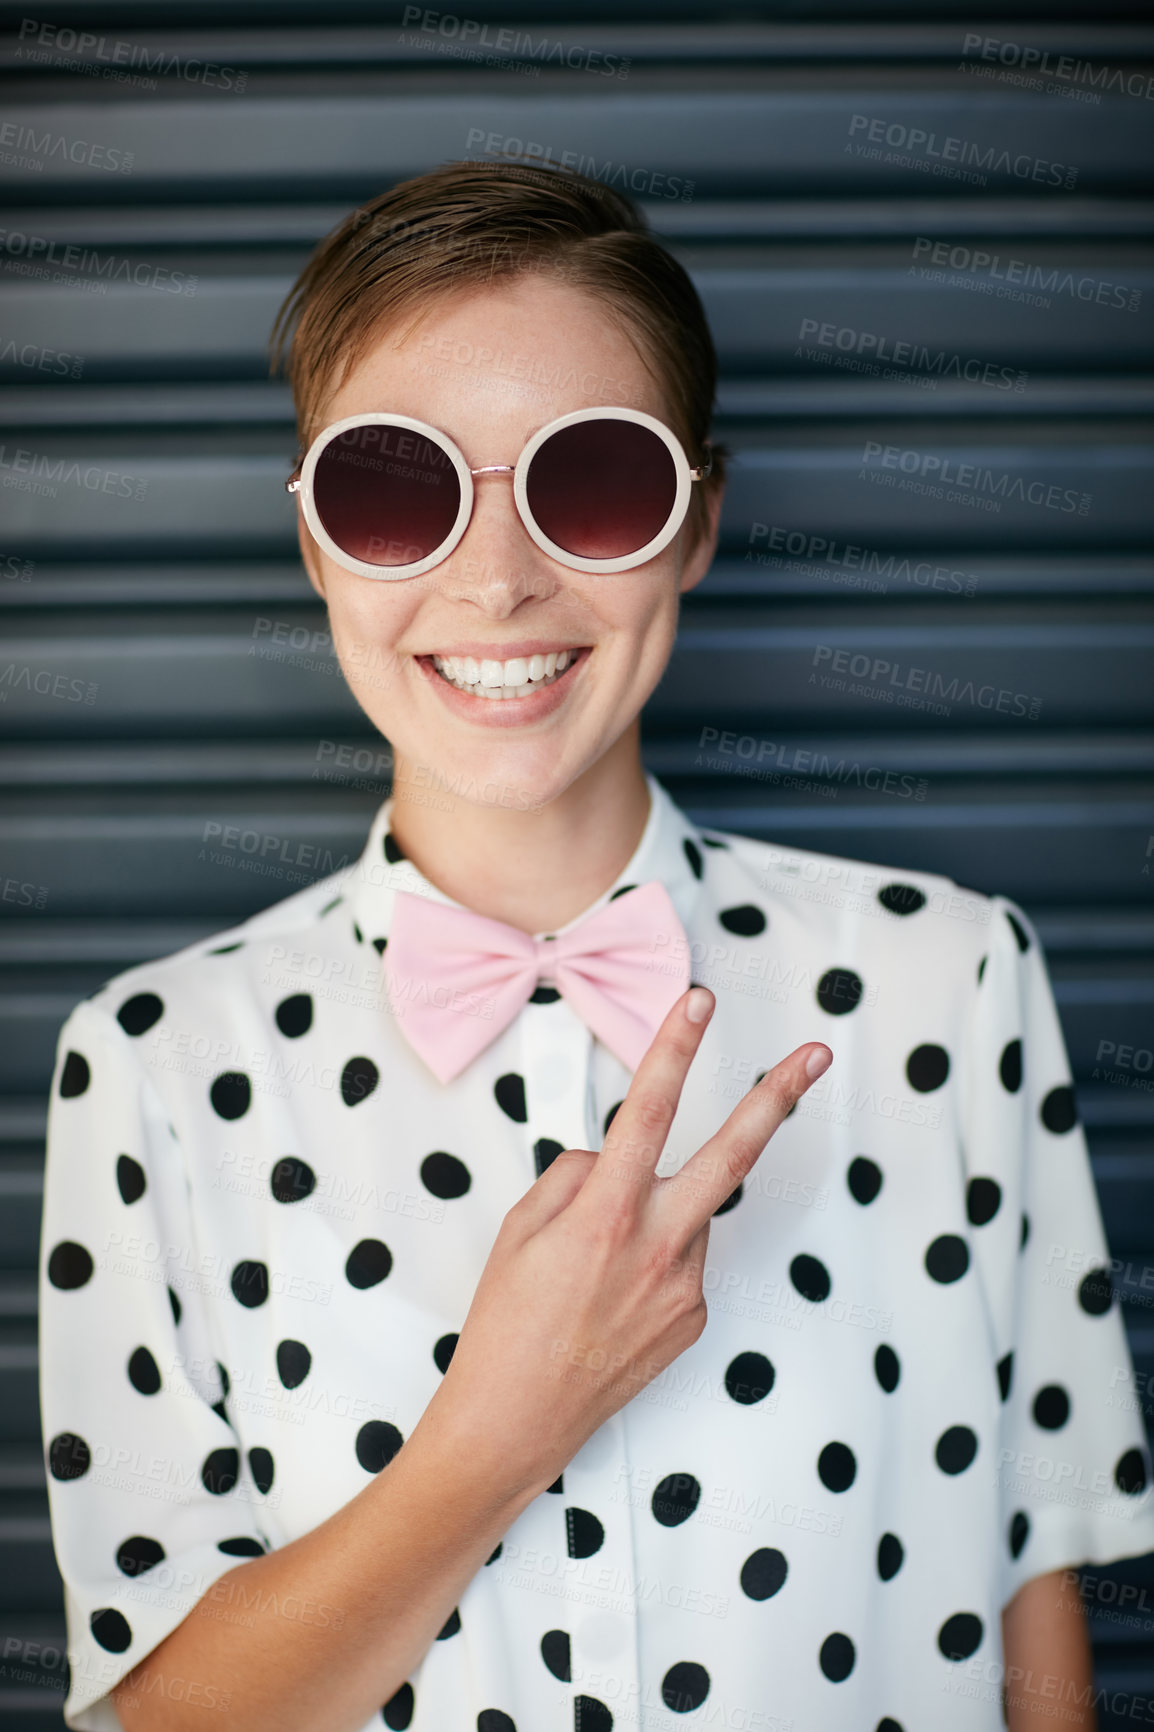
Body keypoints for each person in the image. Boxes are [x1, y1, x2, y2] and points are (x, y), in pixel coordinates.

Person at [39, 160, 1153, 1732]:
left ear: (697, 520)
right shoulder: (153, 1065)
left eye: (594, 482)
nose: (495, 580)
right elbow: (162, 1713)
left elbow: (1041, 1588)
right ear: (311, 542)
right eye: (393, 487)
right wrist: (504, 1429)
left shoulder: (950, 981)